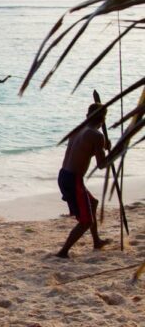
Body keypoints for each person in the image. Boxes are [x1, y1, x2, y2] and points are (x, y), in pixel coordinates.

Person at [56, 103, 112, 258]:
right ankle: (63, 252)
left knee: (92, 203)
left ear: (87, 116)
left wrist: (102, 147)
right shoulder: (97, 136)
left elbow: (84, 151)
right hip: (74, 180)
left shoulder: (78, 130)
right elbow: (102, 165)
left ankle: (96, 241)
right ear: (103, 120)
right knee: (86, 221)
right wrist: (114, 152)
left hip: (63, 175)